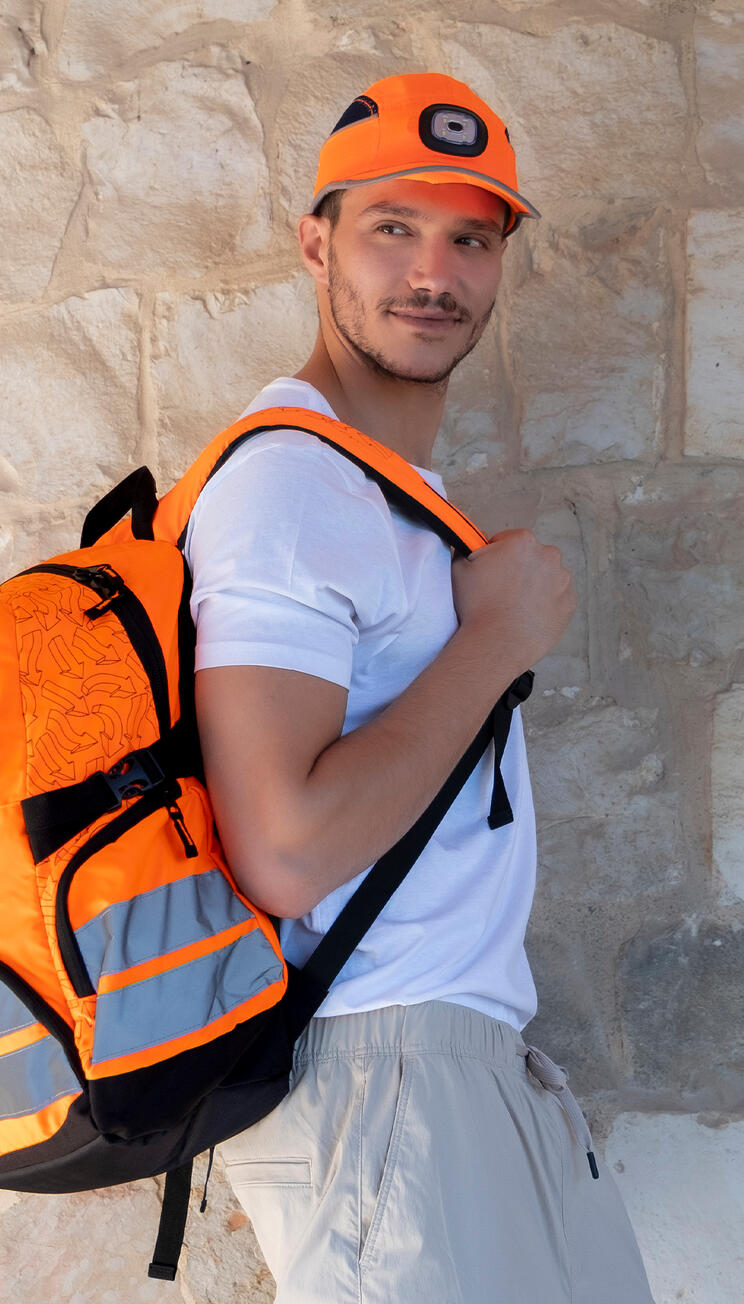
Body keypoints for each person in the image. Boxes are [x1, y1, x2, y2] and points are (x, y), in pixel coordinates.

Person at [183, 73, 655, 1303]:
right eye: (391, 226)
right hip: (383, 1079)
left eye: (469, 237)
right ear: (314, 241)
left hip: (464, 1069)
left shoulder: (377, 494)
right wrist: (492, 644)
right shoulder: (289, 488)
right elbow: (285, 850)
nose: (431, 270)